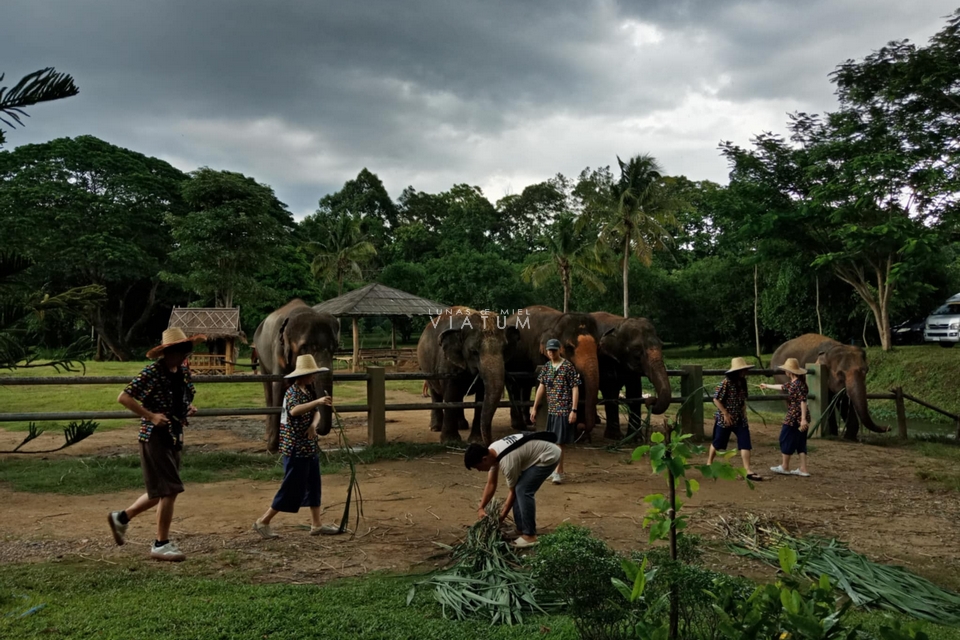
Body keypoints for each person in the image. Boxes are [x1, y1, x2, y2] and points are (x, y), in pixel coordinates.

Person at [107, 327, 205, 562]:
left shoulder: (181, 371)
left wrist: (186, 409)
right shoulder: (152, 372)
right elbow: (124, 397)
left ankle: (121, 518)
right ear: (168, 351)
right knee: (170, 489)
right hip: (154, 436)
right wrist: (150, 415)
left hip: (173, 435)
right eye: (181, 351)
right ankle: (160, 543)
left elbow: (183, 397)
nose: (184, 356)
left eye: (187, 351)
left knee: (160, 490)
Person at [253, 354, 336, 538]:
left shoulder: (308, 390)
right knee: (291, 486)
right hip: (295, 448)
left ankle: (317, 524)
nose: (313, 377)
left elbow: (316, 413)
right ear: (302, 375)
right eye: (311, 374)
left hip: (309, 446)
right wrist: (318, 402)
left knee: (314, 484)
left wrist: (314, 425)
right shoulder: (292, 393)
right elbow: (294, 410)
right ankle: (263, 521)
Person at [464, 432, 560, 548]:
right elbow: (491, 483)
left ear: (484, 459)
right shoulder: (492, 452)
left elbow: (513, 492)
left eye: (477, 467)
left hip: (548, 456)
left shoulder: (507, 461)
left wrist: (501, 517)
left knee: (523, 490)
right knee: (519, 487)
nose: (479, 470)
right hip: (535, 454)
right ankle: (521, 529)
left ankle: (530, 536)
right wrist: (481, 507)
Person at [530, 338, 580, 485]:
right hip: (551, 409)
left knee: (559, 442)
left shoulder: (568, 367)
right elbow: (541, 387)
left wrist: (574, 410)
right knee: (551, 441)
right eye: (549, 350)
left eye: (554, 350)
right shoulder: (547, 367)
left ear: (560, 350)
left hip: (563, 409)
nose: (551, 352)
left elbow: (575, 388)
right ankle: (553, 470)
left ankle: (559, 471)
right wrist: (534, 407)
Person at [706, 357, 762, 482]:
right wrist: (725, 413)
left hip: (739, 418)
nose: (744, 372)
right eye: (742, 370)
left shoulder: (743, 382)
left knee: (745, 442)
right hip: (726, 418)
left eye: (745, 370)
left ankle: (747, 469)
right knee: (718, 441)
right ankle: (709, 462)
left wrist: (744, 412)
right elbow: (716, 399)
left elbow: (743, 400)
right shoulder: (725, 383)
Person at [761, 358, 811, 477]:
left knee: (785, 437)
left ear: (790, 372)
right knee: (800, 442)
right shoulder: (797, 383)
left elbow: (802, 401)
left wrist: (802, 419)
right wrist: (766, 386)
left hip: (794, 416)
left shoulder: (797, 385)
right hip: (801, 416)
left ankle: (785, 466)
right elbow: (782, 387)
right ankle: (803, 468)